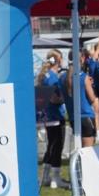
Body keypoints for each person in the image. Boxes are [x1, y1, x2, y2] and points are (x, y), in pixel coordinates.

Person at [36, 52, 67, 188]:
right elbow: (54, 98)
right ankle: (55, 178)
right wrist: (66, 99)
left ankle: (46, 176)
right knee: (57, 147)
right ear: (58, 61)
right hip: (55, 116)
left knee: (51, 146)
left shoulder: (45, 76)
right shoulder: (53, 78)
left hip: (48, 116)